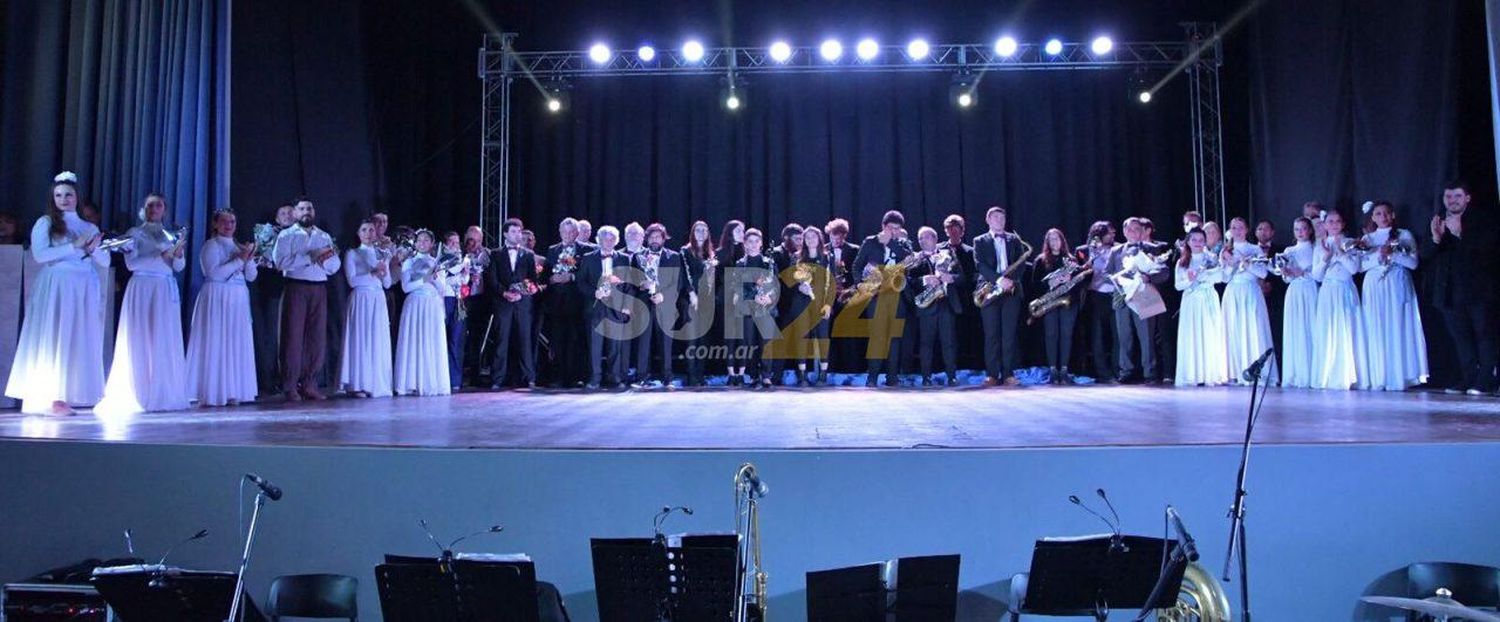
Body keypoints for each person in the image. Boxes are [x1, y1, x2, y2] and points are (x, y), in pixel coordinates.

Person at [5, 172, 110, 415]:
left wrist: (93, 249)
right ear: (53, 198)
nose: (64, 199)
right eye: (59, 195)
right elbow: (40, 255)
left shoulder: (89, 226)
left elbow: (104, 261)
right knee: (56, 334)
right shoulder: (45, 223)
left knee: (76, 336)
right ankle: (53, 395)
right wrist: (73, 246)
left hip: (82, 284)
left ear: (77, 197)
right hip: (58, 284)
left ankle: (68, 393)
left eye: (69, 195)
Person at [96, 194, 192, 414]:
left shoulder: (171, 235)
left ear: (164, 210)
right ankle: (138, 391)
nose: (154, 208)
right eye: (150, 205)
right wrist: (161, 255)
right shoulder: (134, 233)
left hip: (164, 290)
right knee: (139, 337)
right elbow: (131, 264)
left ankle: (162, 392)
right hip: (142, 287)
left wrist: (176, 254)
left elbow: (179, 267)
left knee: (162, 338)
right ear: (144, 208)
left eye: (158, 205)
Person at [1424, 181, 1498, 395]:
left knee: (1484, 335)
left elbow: (1487, 253)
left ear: (1467, 198)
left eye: (1457, 196)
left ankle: (1486, 380)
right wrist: (1436, 238)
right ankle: (1468, 377)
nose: (1452, 201)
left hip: (1478, 291)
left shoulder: (1482, 220)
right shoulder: (1439, 220)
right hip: (1448, 291)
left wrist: (1459, 235)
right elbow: (1425, 256)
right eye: (1448, 196)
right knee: (1461, 337)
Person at [186, 209, 259, 406]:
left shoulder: (239, 246)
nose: (229, 225)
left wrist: (249, 260)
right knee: (217, 341)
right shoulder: (211, 245)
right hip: (217, 297)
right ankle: (213, 391)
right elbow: (214, 273)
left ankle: (234, 390)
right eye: (225, 221)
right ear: (215, 224)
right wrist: (240, 260)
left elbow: (251, 276)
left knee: (234, 341)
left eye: (233, 221)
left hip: (237, 299)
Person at [272, 198, 341, 400]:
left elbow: (334, 266)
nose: (306, 212)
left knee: (316, 338)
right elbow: (280, 262)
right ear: (294, 213)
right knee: (292, 337)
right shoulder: (286, 235)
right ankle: (290, 385)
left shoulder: (323, 235)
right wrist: (310, 257)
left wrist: (323, 259)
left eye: (309, 208)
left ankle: (310, 383)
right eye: (301, 208)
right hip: (296, 287)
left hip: (319, 289)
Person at [1358, 201, 1427, 391]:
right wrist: (1378, 256)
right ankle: (1380, 375)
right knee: (1376, 326)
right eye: (1378, 214)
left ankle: (1399, 375)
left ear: (1393, 215)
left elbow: (1413, 263)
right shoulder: (1367, 239)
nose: (1383, 217)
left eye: (1386, 213)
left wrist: (1393, 255)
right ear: (1373, 217)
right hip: (1375, 285)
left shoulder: (1404, 235)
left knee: (1397, 324)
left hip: (1397, 283)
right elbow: (1360, 266)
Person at [631, 223, 695, 388]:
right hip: (644, 304)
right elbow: (632, 279)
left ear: (664, 238)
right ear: (647, 238)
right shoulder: (638, 256)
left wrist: (663, 295)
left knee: (666, 343)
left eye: (658, 237)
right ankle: (641, 377)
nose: (654, 240)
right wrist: (641, 284)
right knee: (643, 342)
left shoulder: (673, 256)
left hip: (665, 304)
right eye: (651, 237)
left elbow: (678, 281)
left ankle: (667, 377)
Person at [854, 210, 915, 387]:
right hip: (876, 295)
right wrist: (859, 284)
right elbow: (857, 266)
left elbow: (910, 261)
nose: (894, 232)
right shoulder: (870, 242)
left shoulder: (904, 244)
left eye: (897, 229)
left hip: (897, 295)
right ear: (883, 226)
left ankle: (892, 377)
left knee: (895, 338)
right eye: (891, 228)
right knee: (877, 336)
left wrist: (891, 243)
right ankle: (872, 377)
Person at [1108, 218, 1171, 384]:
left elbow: (1164, 272)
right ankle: (1126, 371)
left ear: (1142, 231)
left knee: (1147, 337)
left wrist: (1148, 276)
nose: (1132, 232)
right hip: (1122, 297)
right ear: (1124, 232)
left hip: (1144, 295)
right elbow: (1107, 273)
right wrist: (1117, 281)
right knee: (1124, 337)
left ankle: (1150, 373)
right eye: (1128, 229)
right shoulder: (1115, 251)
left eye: (1136, 229)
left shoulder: (1152, 248)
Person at [972, 207, 1030, 386]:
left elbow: (1021, 263)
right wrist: (998, 280)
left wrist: (1010, 281)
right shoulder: (979, 240)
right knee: (992, 335)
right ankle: (991, 374)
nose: (999, 220)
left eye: (1002, 217)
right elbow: (979, 265)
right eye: (996, 217)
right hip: (989, 290)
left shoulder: (1014, 239)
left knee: (1009, 334)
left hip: (1011, 290)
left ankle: (1008, 374)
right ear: (988, 220)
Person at [339, 219, 394, 398]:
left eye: (371, 230)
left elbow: (387, 284)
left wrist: (384, 271)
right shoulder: (352, 253)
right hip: (361, 298)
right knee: (361, 339)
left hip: (378, 299)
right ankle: (358, 384)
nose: (369, 233)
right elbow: (352, 281)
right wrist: (372, 273)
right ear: (358, 233)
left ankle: (376, 383)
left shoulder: (381, 254)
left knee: (377, 339)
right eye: (364, 230)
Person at [1311, 210, 1365, 390]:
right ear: (1325, 225)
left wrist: (1341, 253)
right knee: (1328, 331)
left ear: (1343, 224)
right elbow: (1317, 276)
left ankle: (1347, 375)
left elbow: (1354, 269)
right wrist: (1326, 258)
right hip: (1327, 291)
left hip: (1344, 289)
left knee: (1346, 329)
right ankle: (1328, 374)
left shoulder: (1351, 243)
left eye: (1337, 221)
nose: (1334, 224)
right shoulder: (1320, 246)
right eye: (1330, 221)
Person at [1220, 217, 1276, 385]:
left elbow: (1263, 273)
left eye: (1240, 227)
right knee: (1235, 330)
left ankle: (1258, 371)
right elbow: (1224, 277)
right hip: (1233, 292)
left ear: (1246, 230)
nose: (1237, 231)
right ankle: (1236, 372)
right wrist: (1231, 264)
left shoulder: (1255, 249)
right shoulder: (1226, 250)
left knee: (1254, 329)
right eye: (1234, 228)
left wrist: (1247, 264)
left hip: (1251, 291)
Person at [394, 229, 451, 396]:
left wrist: (435, 278)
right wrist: (423, 279)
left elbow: (442, 288)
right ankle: (410, 382)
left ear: (432, 244)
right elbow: (406, 287)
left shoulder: (436, 263)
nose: (422, 243)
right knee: (414, 341)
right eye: (419, 240)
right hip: (415, 304)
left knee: (430, 341)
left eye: (426, 240)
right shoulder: (409, 262)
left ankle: (430, 381)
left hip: (432, 305)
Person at [577, 226, 631, 389]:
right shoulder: (588, 258)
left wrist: (625, 303)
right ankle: (594, 379)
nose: (608, 242)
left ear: (616, 241)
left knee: (615, 346)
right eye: (605, 239)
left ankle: (615, 378)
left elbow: (629, 284)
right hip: (595, 308)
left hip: (616, 308)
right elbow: (580, 283)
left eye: (612, 239)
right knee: (595, 346)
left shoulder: (624, 258)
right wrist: (595, 293)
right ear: (598, 240)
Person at [1029, 228, 1085, 384]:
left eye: (1057, 239)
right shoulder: (1040, 261)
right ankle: (1053, 371)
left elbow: (1080, 285)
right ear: (1047, 243)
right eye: (1051, 239)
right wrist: (1051, 282)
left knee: (1066, 335)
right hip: (1049, 303)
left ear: (1062, 241)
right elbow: (1034, 285)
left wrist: (1070, 279)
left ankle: (1064, 370)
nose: (1055, 242)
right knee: (1051, 335)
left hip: (1068, 303)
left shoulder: (1071, 260)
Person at [488, 218, 538, 389]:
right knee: (502, 341)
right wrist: (505, 293)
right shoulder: (495, 254)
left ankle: (529, 377)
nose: (518, 235)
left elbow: (533, 280)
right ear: (505, 234)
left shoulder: (528, 254)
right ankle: (497, 378)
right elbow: (492, 280)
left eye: (519, 231)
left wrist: (523, 292)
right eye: (514, 232)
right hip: (503, 304)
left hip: (523, 304)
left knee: (525, 340)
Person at [1174, 228, 1228, 386]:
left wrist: (1202, 276)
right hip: (1191, 301)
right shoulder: (1182, 261)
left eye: (1200, 239)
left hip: (1208, 298)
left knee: (1209, 334)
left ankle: (1209, 373)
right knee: (1192, 336)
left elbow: (1219, 277)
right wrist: (1190, 280)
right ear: (1188, 242)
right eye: (1194, 239)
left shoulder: (1211, 258)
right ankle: (1192, 374)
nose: (1197, 243)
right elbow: (1178, 285)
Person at [539, 217, 589, 387]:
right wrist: (551, 279)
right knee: (558, 341)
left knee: (577, 341)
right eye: (564, 232)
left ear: (577, 233)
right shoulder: (552, 250)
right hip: (556, 305)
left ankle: (577, 377)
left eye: (571, 232)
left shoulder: (587, 250)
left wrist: (572, 276)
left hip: (578, 303)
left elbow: (589, 274)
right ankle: (559, 377)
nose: (567, 235)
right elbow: (545, 275)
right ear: (560, 232)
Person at [784, 225, 834, 386]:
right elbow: (790, 281)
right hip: (801, 304)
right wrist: (800, 286)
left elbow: (832, 284)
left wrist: (828, 304)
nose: (810, 239)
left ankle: (823, 374)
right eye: (807, 237)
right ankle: (803, 374)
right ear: (803, 240)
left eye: (813, 236)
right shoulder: (797, 258)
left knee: (823, 338)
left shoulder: (828, 258)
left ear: (820, 239)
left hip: (820, 304)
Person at [252, 204, 293, 394]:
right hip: (274, 289)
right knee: (273, 335)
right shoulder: (268, 234)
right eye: (283, 213)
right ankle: (272, 379)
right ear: (276, 218)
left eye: (290, 213)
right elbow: (261, 260)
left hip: (297, 287)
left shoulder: (300, 233)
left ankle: (293, 379)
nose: (287, 216)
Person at [913, 226, 962, 385]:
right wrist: (923, 280)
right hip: (927, 305)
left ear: (934, 239)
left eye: (925, 237)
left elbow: (963, 277)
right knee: (926, 344)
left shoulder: (948, 255)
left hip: (946, 304)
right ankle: (926, 378)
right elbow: (908, 282)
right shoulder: (915, 258)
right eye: (920, 238)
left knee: (949, 343)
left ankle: (951, 376)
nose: (922, 241)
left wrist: (951, 278)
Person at [731, 228, 778, 388]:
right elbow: (738, 287)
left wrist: (769, 297)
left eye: (756, 241)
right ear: (745, 244)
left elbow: (775, 286)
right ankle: (753, 375)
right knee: (749, 343)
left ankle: (766, 375)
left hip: (765, 309)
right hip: (748, 309)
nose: (753, 244)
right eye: (749, 241)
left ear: (761, 244)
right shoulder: (739, 264)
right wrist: (753, 297)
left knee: (766, 342)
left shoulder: (769, 263)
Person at [1279, 217, 1319, 389]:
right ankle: (1296, 374)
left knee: (1311, 328)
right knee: (1295, 330)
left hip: (1310, 290)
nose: (1300, 232)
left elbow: (1318, 273)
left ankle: (1312, 373)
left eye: (1303, 228)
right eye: (1297, 229)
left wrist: (1302, 273)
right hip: (1294, 292)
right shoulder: (1289, 250)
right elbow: (1285, 278)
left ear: (1310, 230)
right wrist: (1286, 272)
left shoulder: (1316, 248)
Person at [939, 215, 978, 374]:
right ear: (946, 231)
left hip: (964, 300)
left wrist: (954, 279)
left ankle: (962, 369)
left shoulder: (970, 252)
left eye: (956, 229)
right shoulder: (939, 249)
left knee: (962, 335)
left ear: (962, 231)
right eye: (949, 229)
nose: (953, 232)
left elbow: (973, 277)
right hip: (942, 299)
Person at [680, 220, 718, 387]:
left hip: (706, 300)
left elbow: (711, 279)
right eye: (698, 230)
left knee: (703, 339)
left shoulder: (711, 253)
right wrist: (692, 294)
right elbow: (684, 275)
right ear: (693, 233)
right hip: (690, 299)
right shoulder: (685, 251)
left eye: (704, 230)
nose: (701, 233)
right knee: (691, 338)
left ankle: (700, 374)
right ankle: (691, 375)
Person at [1080, 221, 1118, 382]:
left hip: (1116, 294)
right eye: (1110, 232)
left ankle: (1118, 370)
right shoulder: (1088, 250)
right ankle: (1103, 373)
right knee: (1099, 336)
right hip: (1097, 295)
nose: (1113, 235)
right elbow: (1083, 272)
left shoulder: (1118, 248)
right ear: (1100, 234)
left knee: (1118, 335)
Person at [824, 218, 861, 373]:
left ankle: (850, 369)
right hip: (828, 298)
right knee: (828, 333)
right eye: (833, 237)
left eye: (840, 237)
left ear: (845, 235)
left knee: (848, 333)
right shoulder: (823, 250)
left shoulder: (855, 250)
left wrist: (850, 290)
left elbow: (858, 274)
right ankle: (829, 369)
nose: (836, 240)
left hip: (848, 296)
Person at [438, 231, 470, 391]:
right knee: (442, 339)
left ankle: (455, 379)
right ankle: (441, 377)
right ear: (445, 245)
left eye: (457, 243)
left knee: (456, 341)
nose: (455, 246)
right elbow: (444, 275)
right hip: (445, 300)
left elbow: (464, 281)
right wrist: (460, 267)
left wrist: (466, 273)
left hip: (458, 301)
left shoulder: (462, 260)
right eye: (452, 242)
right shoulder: (441, 259)